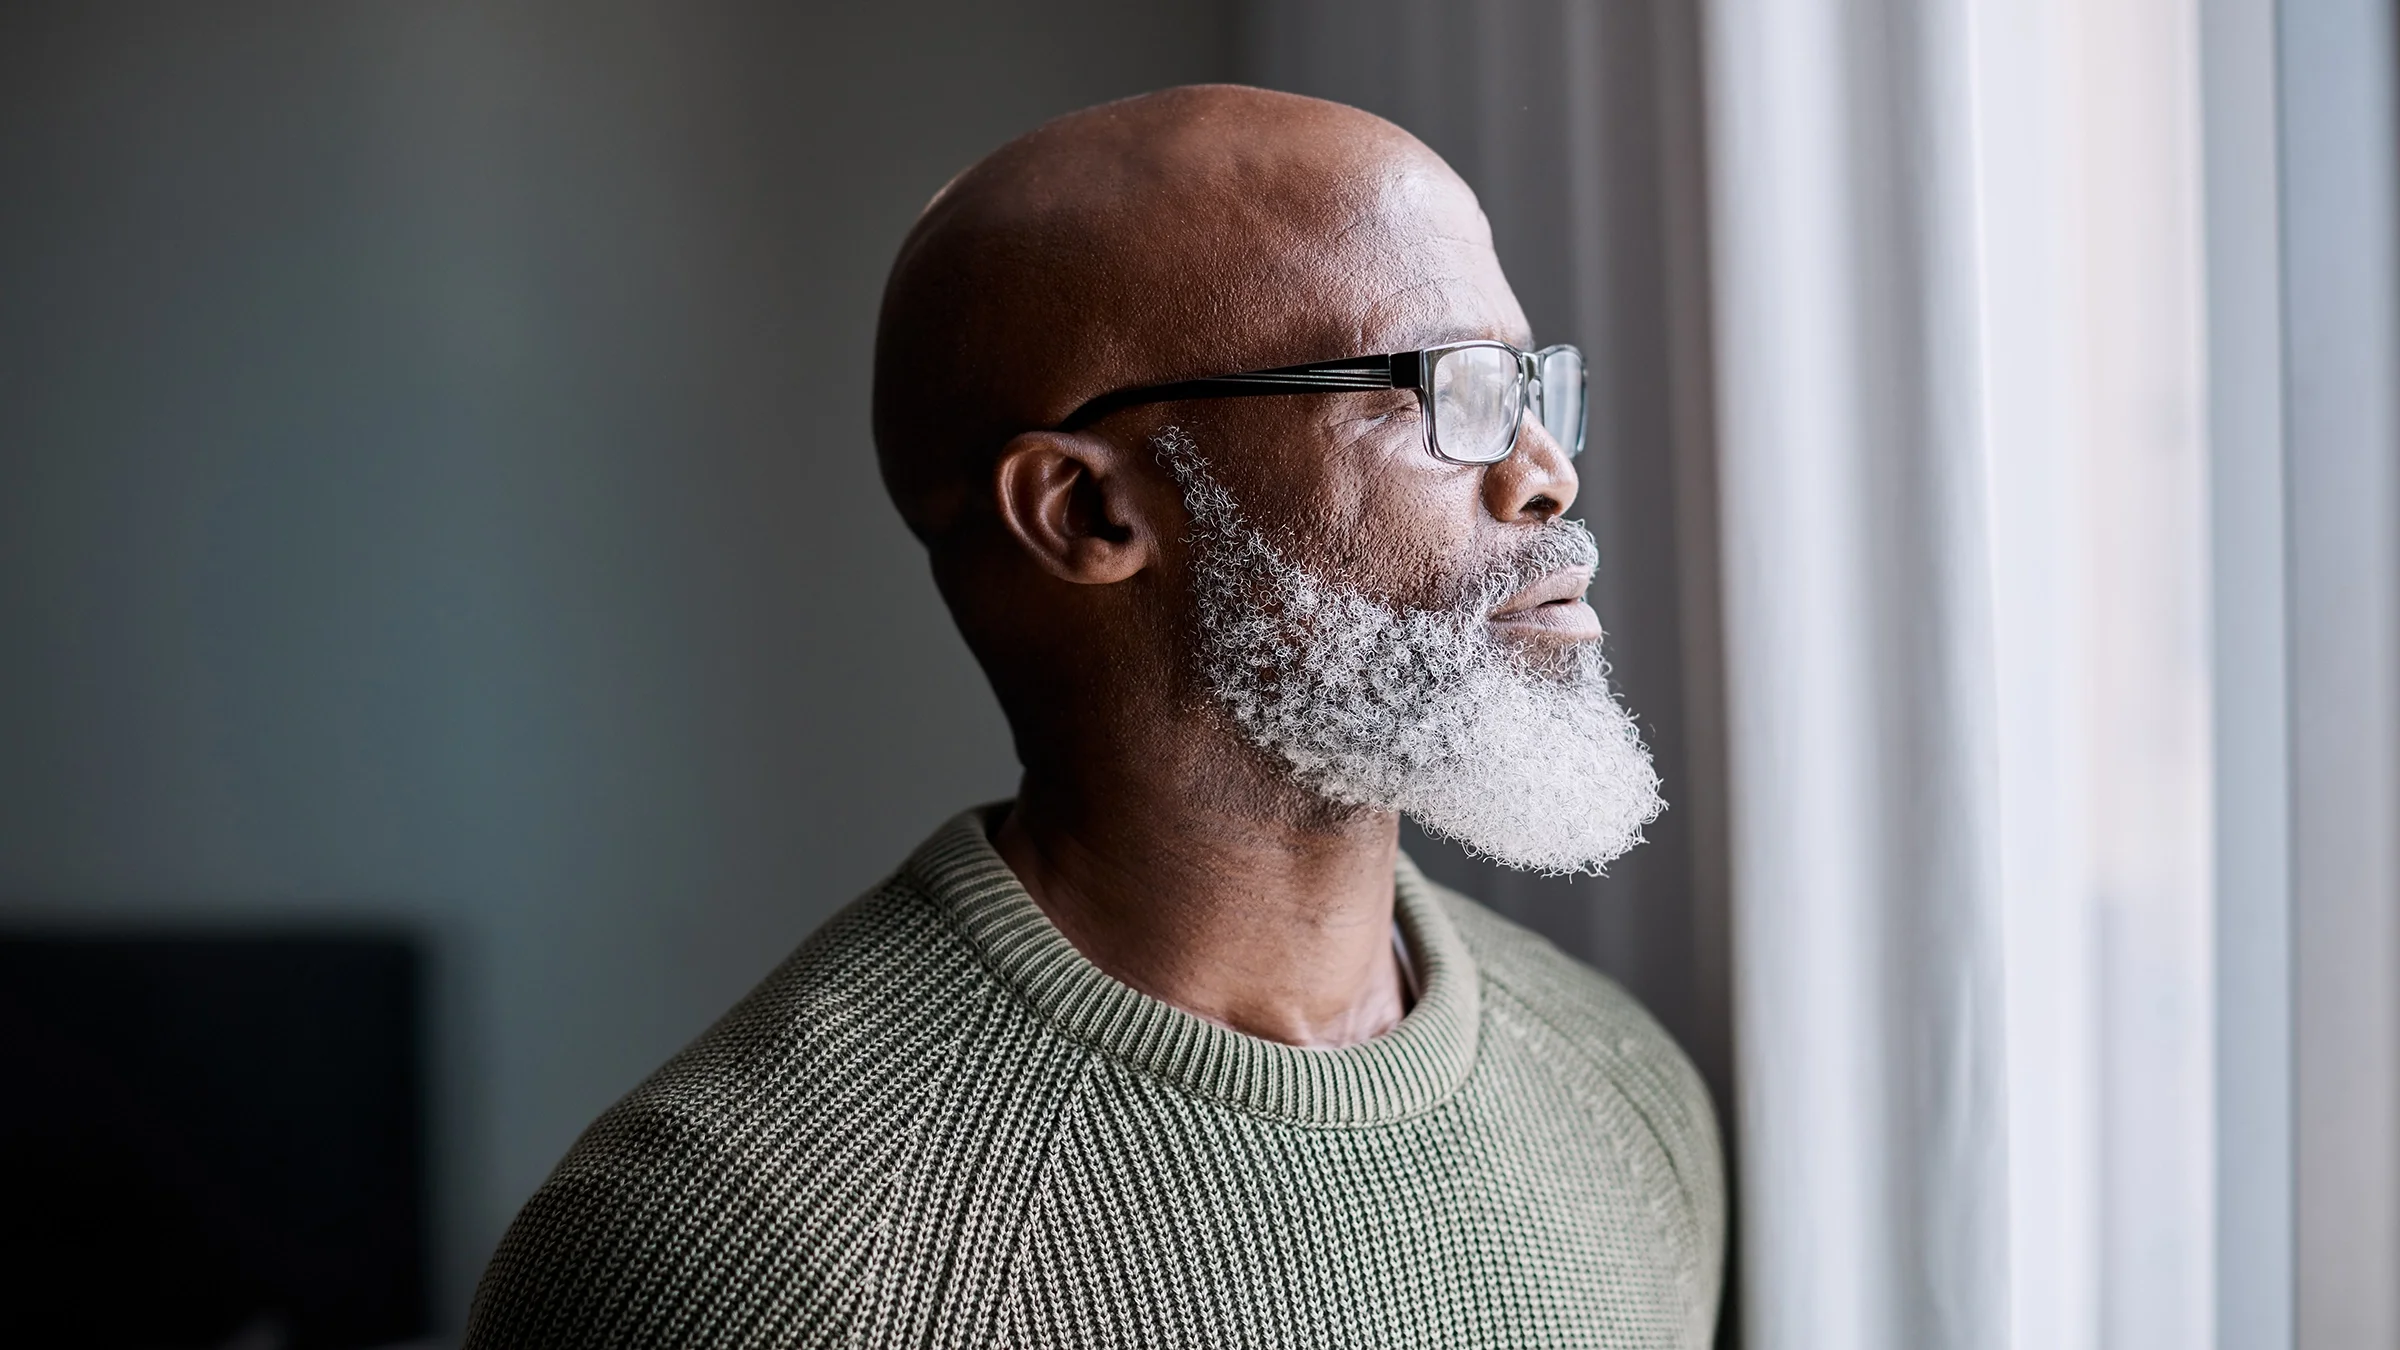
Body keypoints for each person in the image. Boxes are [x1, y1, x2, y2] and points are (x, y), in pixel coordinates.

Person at [465, 84, 1723, 1349]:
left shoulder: (1620, 1092)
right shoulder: (719, 1254)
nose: (1547, 474)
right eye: (1444, 388)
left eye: (1529, 386)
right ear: (1085, 512)